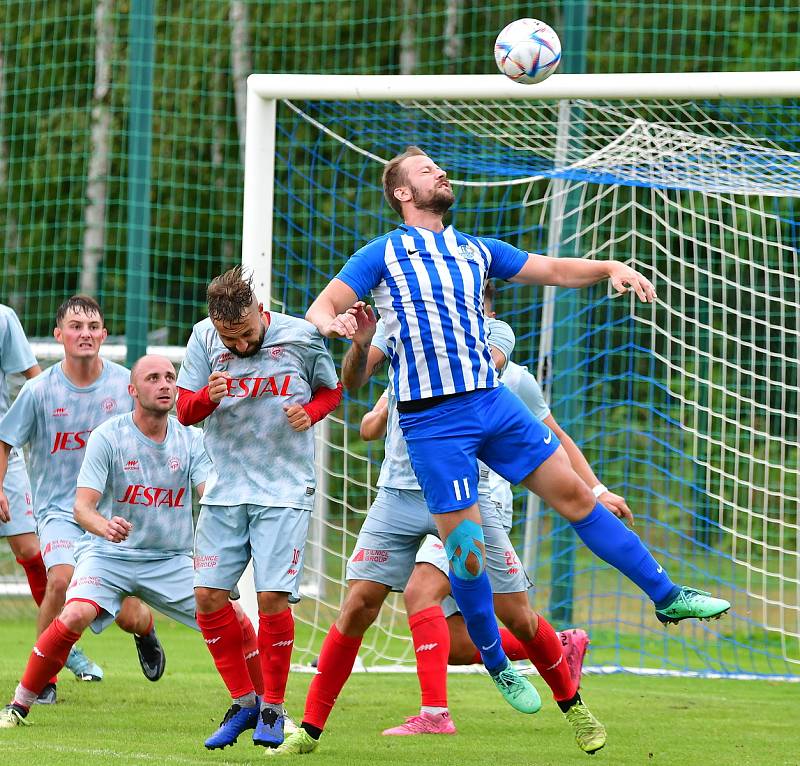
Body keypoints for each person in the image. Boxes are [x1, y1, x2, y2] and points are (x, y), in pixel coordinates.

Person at [283, 146, 729, 753]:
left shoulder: (475, 249)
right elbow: (322, 306)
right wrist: (335, 325)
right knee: (464, 555)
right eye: (424, 171)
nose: (439, 172)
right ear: (402, 195)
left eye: (438, 166)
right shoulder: (382, 253)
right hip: (432, 424)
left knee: (574, 494)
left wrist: (607, 268)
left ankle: (666, 596)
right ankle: (495, 661)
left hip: (490, 404)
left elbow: (550, 268)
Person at [270, 316, 606, 757]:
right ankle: (310, 731)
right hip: (398, 496)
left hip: (468, 496)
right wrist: (365, 344)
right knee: (357, 606)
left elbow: (487, 369)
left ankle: (573, 707)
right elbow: (353, 384)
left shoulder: (492, 334)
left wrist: (596, 491)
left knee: (517, 615)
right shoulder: (397, 331)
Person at [0, 355, 262, 727]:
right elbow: (81, 508)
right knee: (74, 612)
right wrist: (104, 526)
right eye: (153, 378)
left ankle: (269, 711)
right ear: (132, 390)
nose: (165, 384)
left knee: (236, 619)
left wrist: (224, 553)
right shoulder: (108, 436)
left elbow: (213, 499)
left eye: (170, 377)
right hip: (108, 554)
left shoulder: (192, 440)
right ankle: (18, 705)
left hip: (170, 558)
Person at [175, 267, 342, 750]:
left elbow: (331, 391)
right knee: (208, 597)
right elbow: (184, 409)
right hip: (225, 489)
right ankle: (244, 701)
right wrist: (209, 395)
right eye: (232, 339)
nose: (241, 346)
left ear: (260, 312)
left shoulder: (303, 337)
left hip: (284, 490)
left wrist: (308, 413)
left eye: (247, 334)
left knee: (271, 600)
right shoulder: (204, 339)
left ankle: (273, 707)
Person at [0, 296, 163, 704]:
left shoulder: (126, 384)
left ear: (104, 335)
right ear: (60, 336)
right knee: (59, 580)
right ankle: (41, 681)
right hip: (59, 512)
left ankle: (145, 631)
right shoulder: (39, 391)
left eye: (92, 327)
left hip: (114, 517)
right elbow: (4, 439)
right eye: (75, 326)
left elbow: (157, 431)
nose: (85, 333)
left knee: (128, 614)